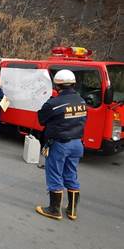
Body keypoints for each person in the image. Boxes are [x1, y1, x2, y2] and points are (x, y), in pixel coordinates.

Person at [35, 70, 87, 221]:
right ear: (73, 83)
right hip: (77, 143)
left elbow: (41, 120)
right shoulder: (81, 101)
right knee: (71, 174)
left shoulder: (53, 103)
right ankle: (72, 210)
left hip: (60, 144)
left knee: (54, 174)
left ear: (57, 85)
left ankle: (54, 210)